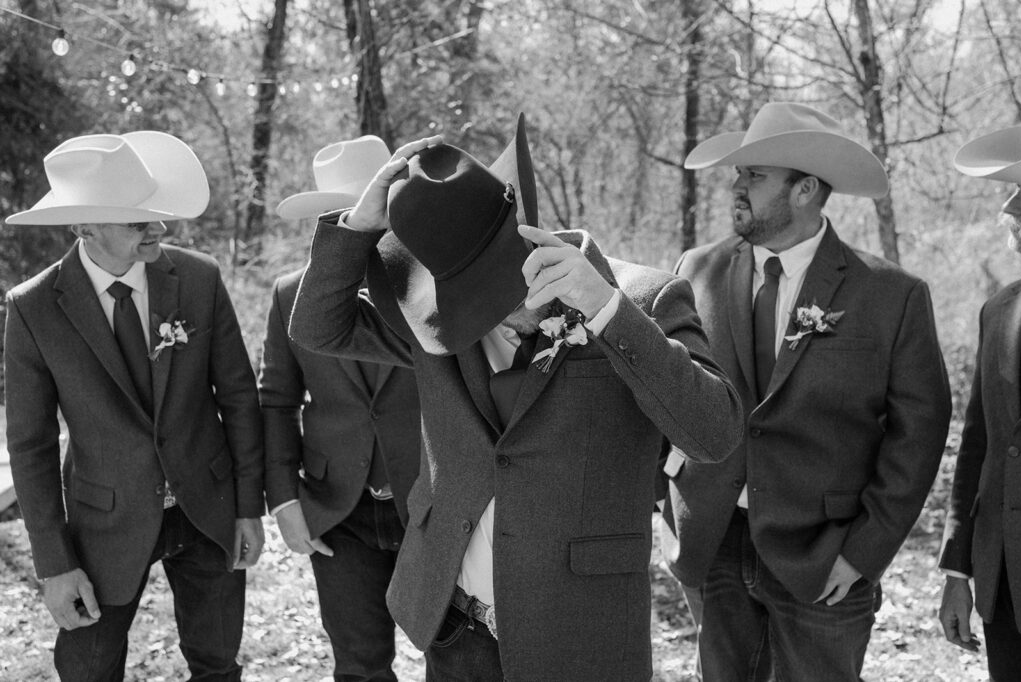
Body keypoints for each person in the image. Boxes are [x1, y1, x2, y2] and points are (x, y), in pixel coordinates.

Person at [287, 114, 744, 681]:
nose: (483, 311)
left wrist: (606, 311)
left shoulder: (647, 298)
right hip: (454, 622)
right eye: (467, 294)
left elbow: (714, 433)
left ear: (529, 233)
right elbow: (317, 328)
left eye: (494, 288)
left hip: (580, 630)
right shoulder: (438, 320)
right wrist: (358, 227)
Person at [663, 102, 952, 681]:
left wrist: (865, 551)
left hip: (826, 557)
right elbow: (667, 391)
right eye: (739, 173)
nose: (736, 186)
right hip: (712, 543)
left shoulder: (891, 295)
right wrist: (667, 507)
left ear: (805, 190)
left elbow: (918, 433)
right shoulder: (696, 271)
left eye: (755, 175)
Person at [4, 131, 264, 681]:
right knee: (88, 672)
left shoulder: (199, 279)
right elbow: (30, 446)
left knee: (218, 665)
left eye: (155, 214)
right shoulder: (32, 310)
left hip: (208, 507)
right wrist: (54, 565)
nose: (159, 229)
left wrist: (247, 507)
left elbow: (239, 398)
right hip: (104, 522)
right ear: (83, 226)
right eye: (136, 221)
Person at [260, 135, 422, 681]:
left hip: (429, 504)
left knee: (456, 660)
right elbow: (276, 401)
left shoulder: (434, 290)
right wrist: (284, 500)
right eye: (344, 214)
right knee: (358, 666)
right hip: (338, 510)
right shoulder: (289, 295)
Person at [938, 125, 1021, 681]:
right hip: (1004, 581)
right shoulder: (998, 310)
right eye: (1010, 192)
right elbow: (978, 448)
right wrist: (957, 570)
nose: (1009, 208)